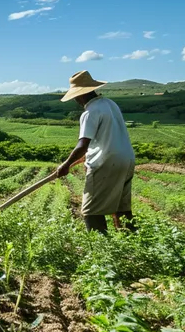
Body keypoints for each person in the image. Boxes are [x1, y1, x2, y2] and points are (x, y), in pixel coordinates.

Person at [56, 71, 136, 234]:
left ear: (80, 95)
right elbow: (107, 137)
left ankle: (101, 249)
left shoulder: (90, 112)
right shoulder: (110, 104)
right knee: (122, 208)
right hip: (127, 160)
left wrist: (66, 164)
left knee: (91, 211)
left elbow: (82, 145)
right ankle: (133, 243)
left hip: (106, 163)